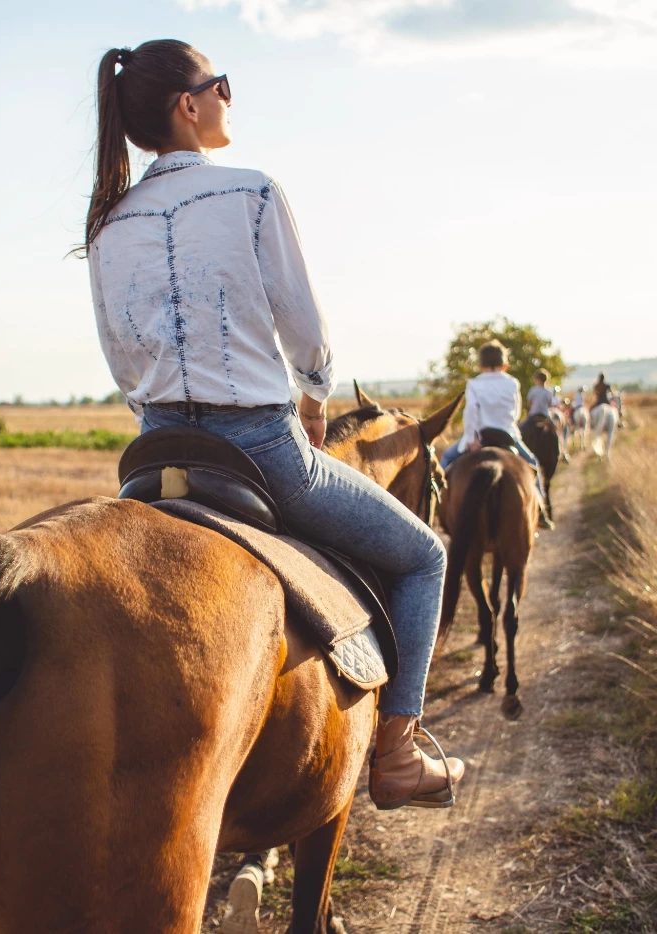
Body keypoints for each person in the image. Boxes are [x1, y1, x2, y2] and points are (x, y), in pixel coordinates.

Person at [83, 40, 463, 811]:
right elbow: (307, 332)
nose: (228, 96)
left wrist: (164, 412)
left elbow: (122, 358)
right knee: (423, 556)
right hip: (261, 450)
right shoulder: (251, 191)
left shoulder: (106, 221)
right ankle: (396, 753)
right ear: (188, 106)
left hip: (152, 457)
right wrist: (317, 401)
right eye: (221, 85)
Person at [439, 341, 554, 530]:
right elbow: (515, 412)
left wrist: (471, 439)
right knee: (532, 463)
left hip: (480, 436)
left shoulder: (474, 384)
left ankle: (436, 502)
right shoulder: (512, 383)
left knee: (446, 458)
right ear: (505, 364)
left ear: (480, 365)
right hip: (507, 435)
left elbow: (471, 413)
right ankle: (541, 510)